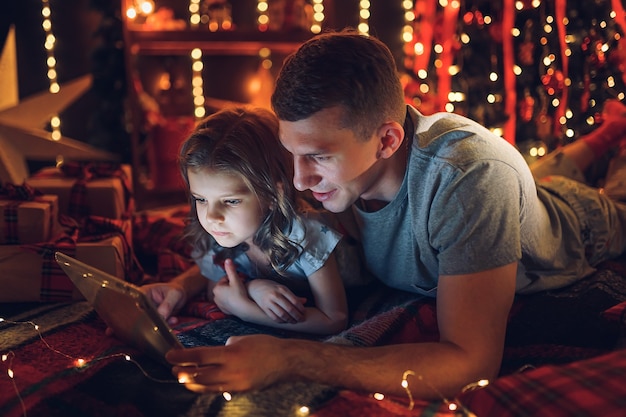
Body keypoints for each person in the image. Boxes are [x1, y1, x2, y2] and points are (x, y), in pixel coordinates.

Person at [162, 30, 626, 399]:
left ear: (386, 140)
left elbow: (470, 362)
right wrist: (184, 286)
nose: (299, 180)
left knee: (601, 192)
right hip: (526, 186)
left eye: (319, 158)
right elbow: (260, 234)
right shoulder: (328, 169)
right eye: (291, 153)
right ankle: (606, 135)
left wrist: (292, 359)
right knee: (543, 172)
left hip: (586, 225)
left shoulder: (469, 178)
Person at [141, 106, 348, 336]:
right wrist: (253, 288)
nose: (211, 217)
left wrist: (248, 311)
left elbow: (334, 318)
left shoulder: (305, 236)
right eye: (201, 199)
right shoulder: (223, 233)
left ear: (272, 195)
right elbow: (217, 288)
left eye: (230, 201)